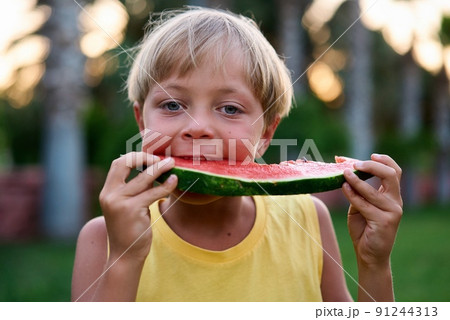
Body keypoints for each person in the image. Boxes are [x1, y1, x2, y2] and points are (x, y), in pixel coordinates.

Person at [71, 7, 403, 302]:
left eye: (230, 108)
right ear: (141, 121)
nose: (198, 127)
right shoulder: (102, 239)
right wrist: (124, 260)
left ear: (266, 135)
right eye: (172, 104)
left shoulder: (307, 218)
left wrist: (374, 265)